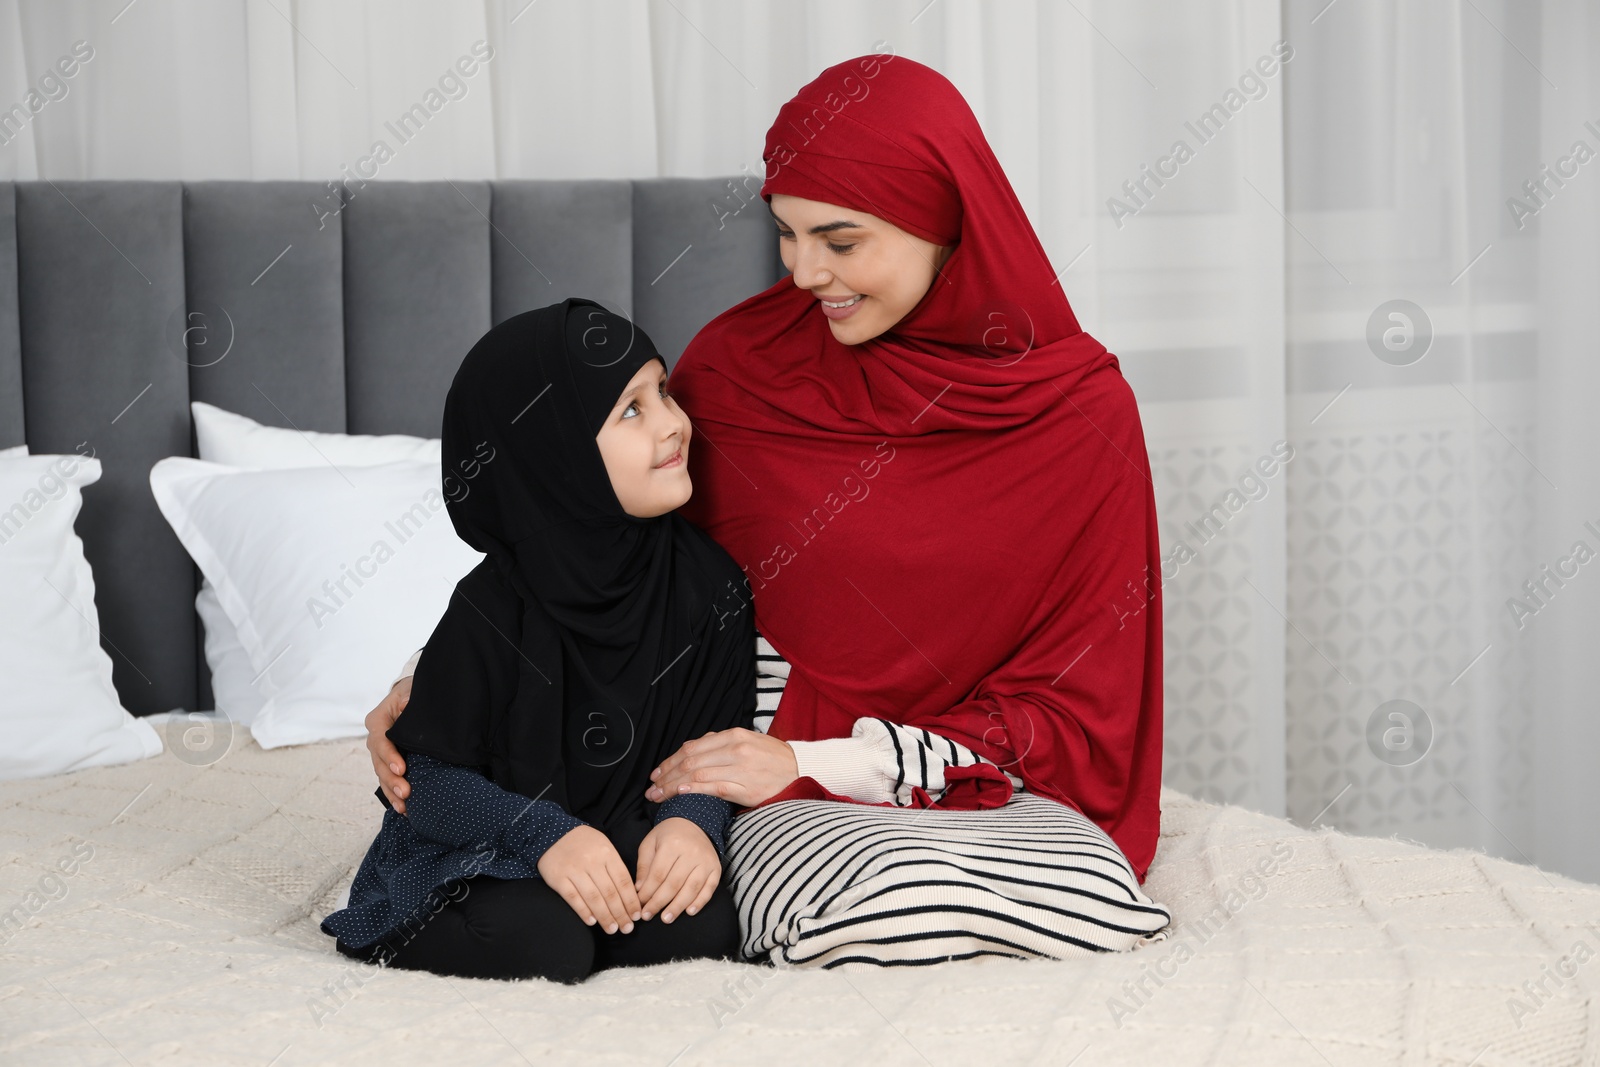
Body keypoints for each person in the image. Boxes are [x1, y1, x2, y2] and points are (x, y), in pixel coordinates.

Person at [367, 53, 1173, 969]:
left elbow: (1085, 704)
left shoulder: (1080, 413)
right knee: (844, 909)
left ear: (947, 216)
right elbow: (595, 545)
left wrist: (826, 763)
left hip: (959, 777)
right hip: (733, 773)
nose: (801, 274)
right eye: (784, 234)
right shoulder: (741, 369)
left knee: (1050, 895)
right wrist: (429, 682)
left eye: (839, 240)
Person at [321, 298, 755, 982]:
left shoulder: (709, 584)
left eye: (663, 390)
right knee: (542, 939)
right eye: (632, 410)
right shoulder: (494, 605)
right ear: (558, 454)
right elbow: (425, 784)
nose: (674, 422)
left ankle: (592, 903)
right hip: (491, 840)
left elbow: (712, 737)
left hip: (615, 837)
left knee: (708, 920)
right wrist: (545, 833)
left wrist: (693, 821)